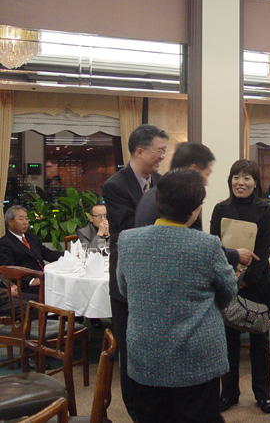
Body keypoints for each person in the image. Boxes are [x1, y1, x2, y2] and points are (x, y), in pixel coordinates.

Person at [117, 169, 237, 423]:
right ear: (195, 210)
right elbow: (229, 291)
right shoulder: (206, 245)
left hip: (146, 354)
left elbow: (124, 289)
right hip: (196, 357)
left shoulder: (127, 241)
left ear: (158, 201)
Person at [102, 124, 168, 422]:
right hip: (127, 279)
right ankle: (135, 409)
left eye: (165, 151)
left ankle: (157, 401)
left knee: (156, 343)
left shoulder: (163, 183)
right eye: (159, 151)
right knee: (130, 348)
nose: (162, 157)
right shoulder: (115, 186)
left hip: (159, 278)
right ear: (140, 151)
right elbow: (131, 228)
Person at [210, 160, 270, 414]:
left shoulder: (265, 210)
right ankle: (229, 393)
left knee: (260, 341)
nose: (241, 182)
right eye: (236, 177)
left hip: (257, 284)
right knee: (228, 342)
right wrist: (230, 279)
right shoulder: (220, 209)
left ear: (255, 183)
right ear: (230, 181)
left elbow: (263, 251)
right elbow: (215, 248)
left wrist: (245, 280)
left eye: (247, 178)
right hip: (227, 283)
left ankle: (263, 395)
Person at [135, 141, 257, 269]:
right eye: (207, 174)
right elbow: (196, 246)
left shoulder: (152, 194)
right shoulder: (183, 200)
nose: (206, 182)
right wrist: (236, 255)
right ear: (194, 169)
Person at [0, 205, 63, 294]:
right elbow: (9, 271)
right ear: (10, 222)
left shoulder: (31, 237)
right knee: (59, 291)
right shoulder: (5, 243)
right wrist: (31, 281)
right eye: (21, 219)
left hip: (43, 277)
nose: (25, 222)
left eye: (26, 219)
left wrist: (68, 255)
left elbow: (47, 254)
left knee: (66, 284)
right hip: (26, 285)